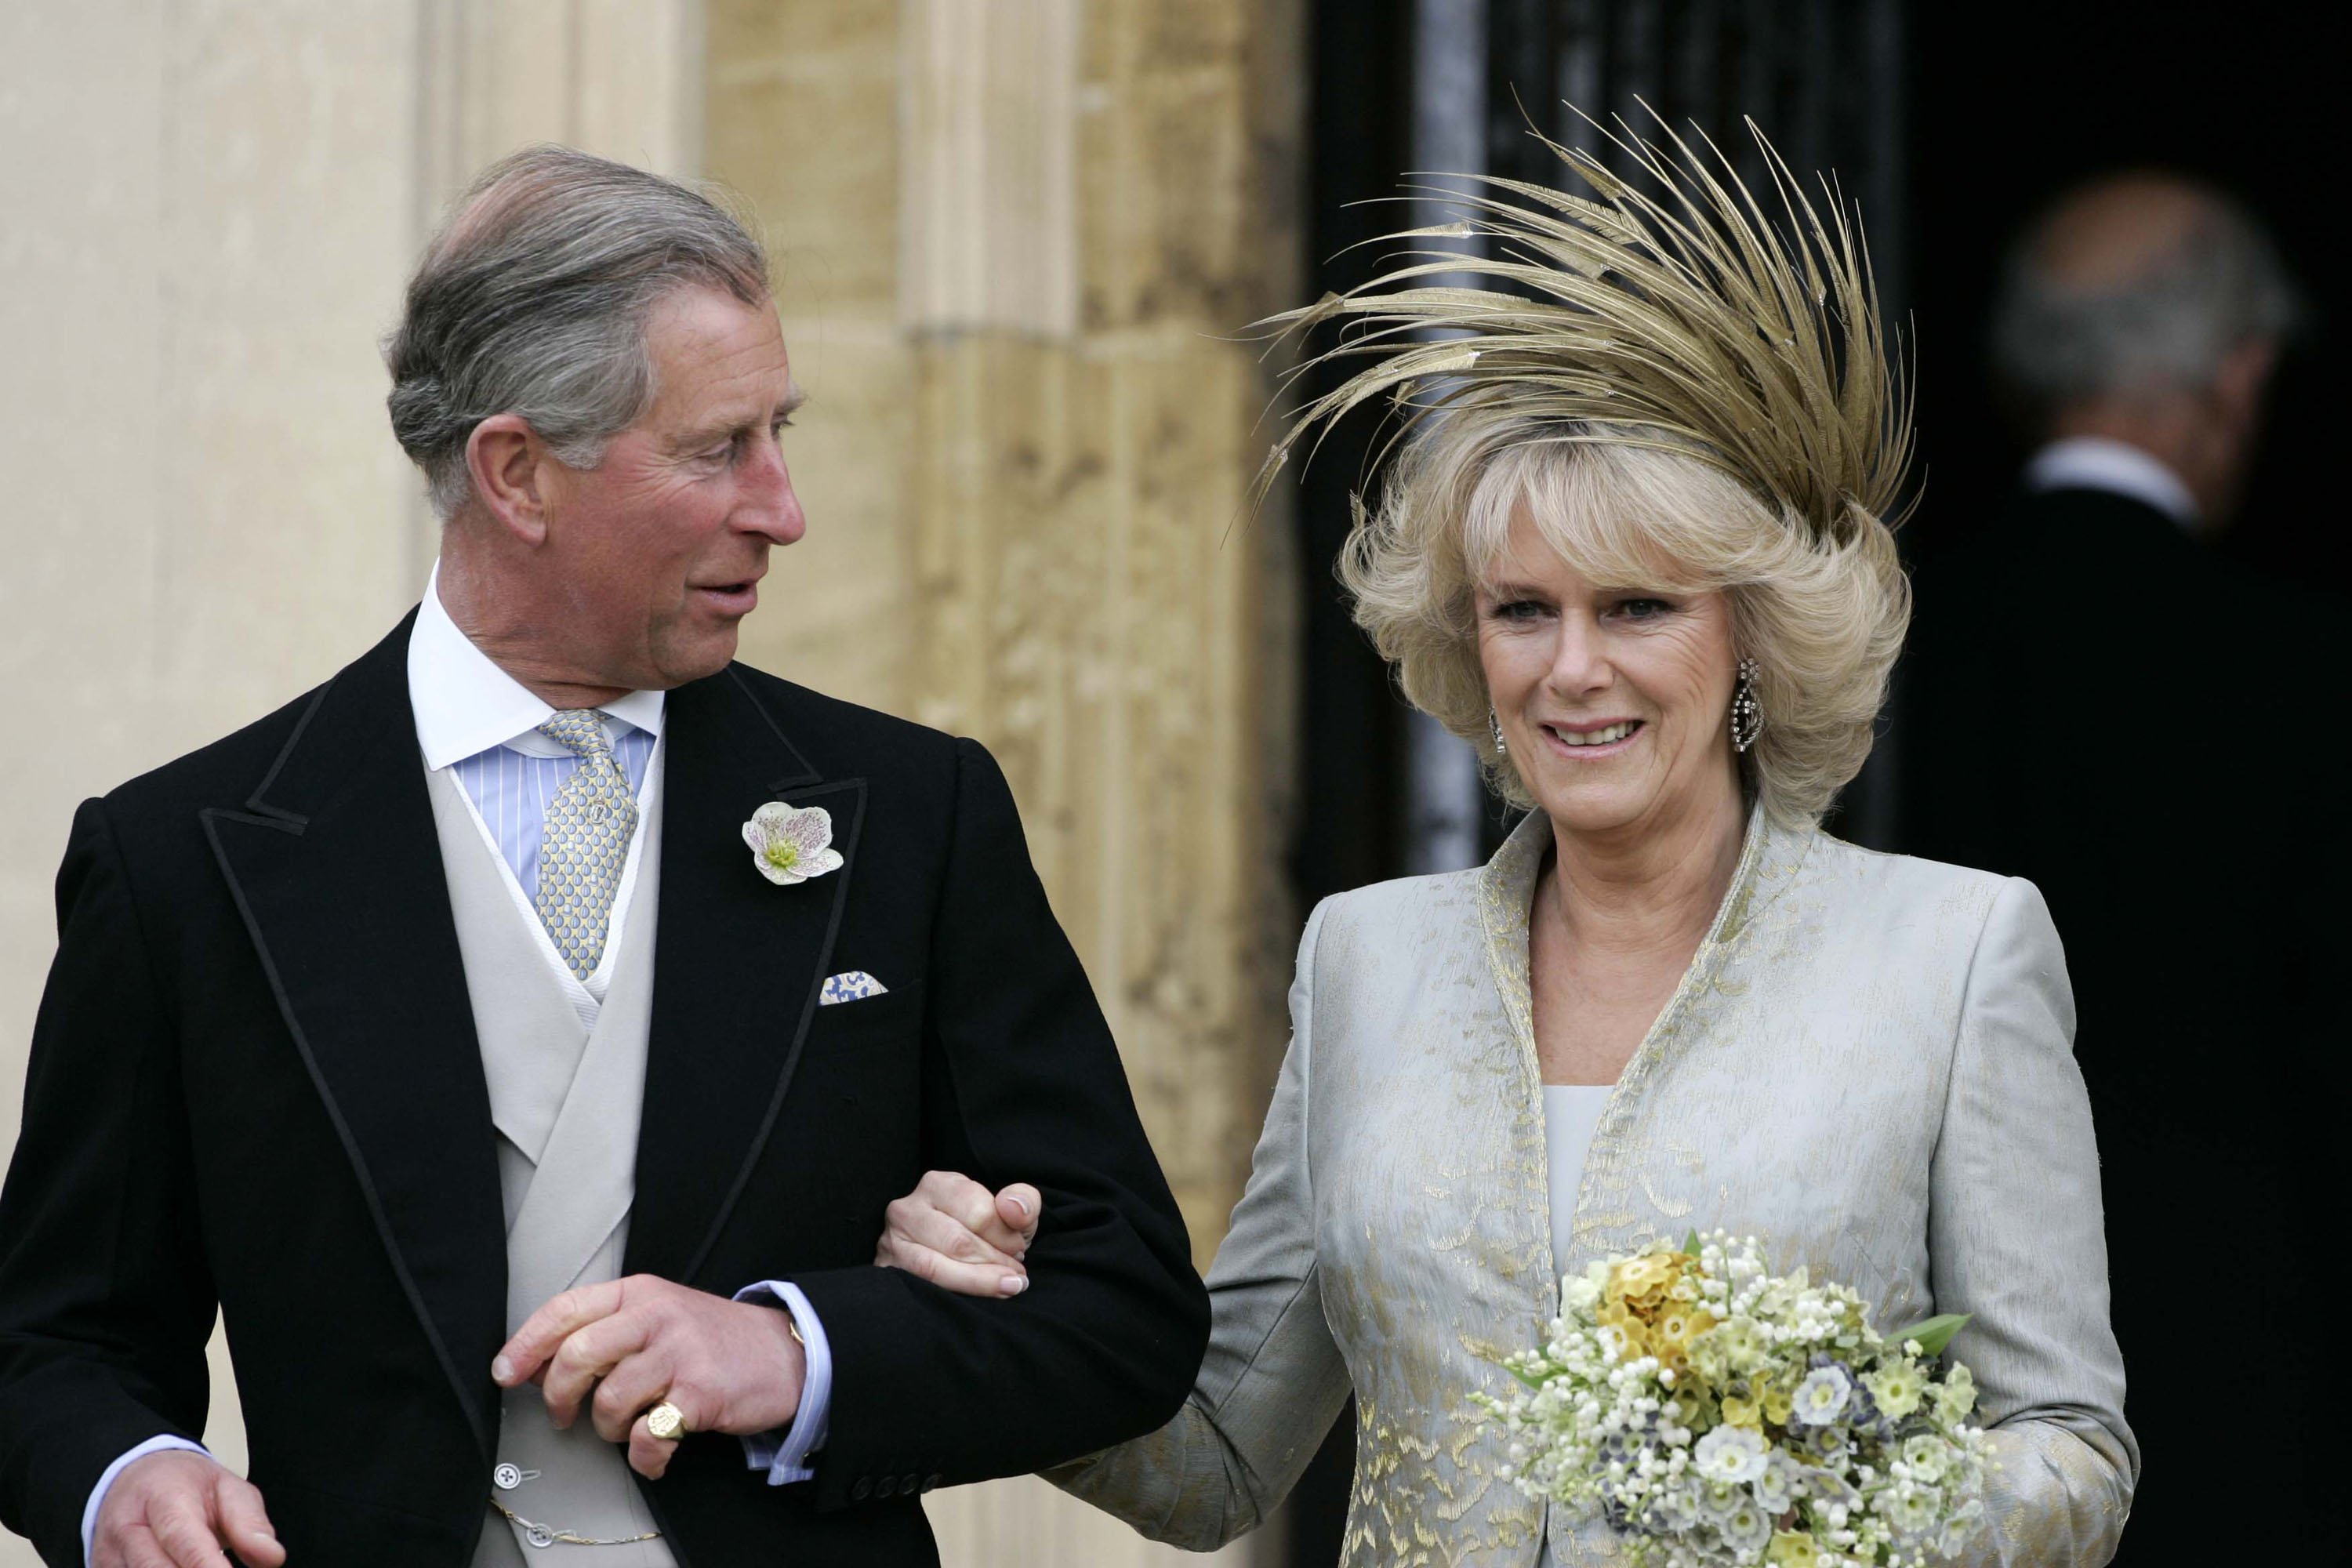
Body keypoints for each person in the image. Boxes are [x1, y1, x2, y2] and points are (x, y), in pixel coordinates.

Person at [872, 123, 2139, 1565]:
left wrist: (1839, 1497)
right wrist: (1004, 1323)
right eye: (1523, 610)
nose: (1570, 670)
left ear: (1751, 644)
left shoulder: (1956, 954)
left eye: (1638, 609)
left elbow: (2072, 1449)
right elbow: (1216, 1457)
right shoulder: (1368, 957)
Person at [0, 147, 1207, 1568]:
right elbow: (56, 1342)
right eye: (719, 450)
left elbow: (1125, 1311)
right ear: (518, 472)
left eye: (782, 434)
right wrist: (123, 1476)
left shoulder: (912, 812)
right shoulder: (185, 859)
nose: (784, 507)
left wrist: (797, 1352)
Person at [1902, 172, 2333, 1563]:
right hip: (2251, 1363)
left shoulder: (1887, 647)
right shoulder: (2308, 670)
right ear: (2241, 377)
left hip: (1928, 1355)